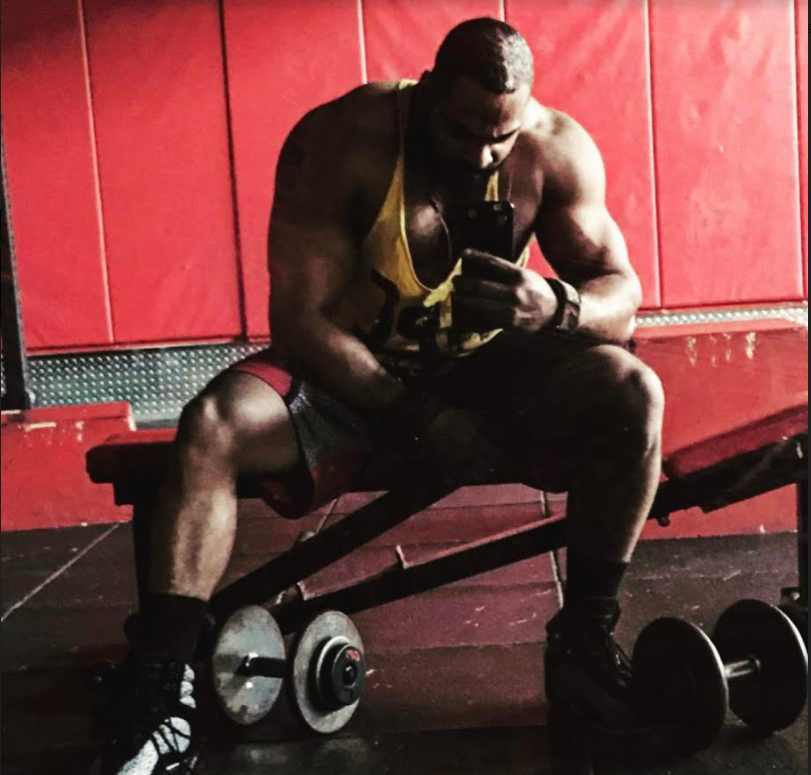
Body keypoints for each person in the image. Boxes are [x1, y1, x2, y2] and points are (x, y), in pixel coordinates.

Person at [94, 17, 665, 774]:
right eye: (464, 133)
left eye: (500, 137)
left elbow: (622, 295)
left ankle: (584, 643)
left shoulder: (553, 149)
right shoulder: (344, 142)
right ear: (427, 94)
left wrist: (556, 306)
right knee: (214, 424)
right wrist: (416, 414)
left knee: (632, 391)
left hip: (489, 373)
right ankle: (163, 695)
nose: (483, 155)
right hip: (351, 379)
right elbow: (300, 323)